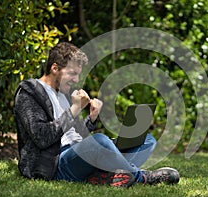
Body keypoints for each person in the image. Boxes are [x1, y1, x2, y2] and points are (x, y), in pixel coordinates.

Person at [13, 42, 180, 187]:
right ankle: (141, 177)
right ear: (55, 68)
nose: (76, 80)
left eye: (78, 74)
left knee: (147, 140)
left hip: (79, 153)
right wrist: (75, 110)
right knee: (99, 141)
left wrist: (91, 118)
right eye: (72, 73)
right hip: (56, 165)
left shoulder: (63, 94)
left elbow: (74, 135)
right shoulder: (29, 93)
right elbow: (42, 137)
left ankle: (106, 175)